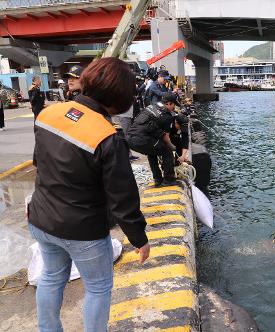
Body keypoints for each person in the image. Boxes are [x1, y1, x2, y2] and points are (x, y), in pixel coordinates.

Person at [28, 57, 150, 332]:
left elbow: (39, 163)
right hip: (83, 230)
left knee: (51, 277)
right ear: (120, 96)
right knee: (98, 288)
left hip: (41, 219)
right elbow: (123, 198)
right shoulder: (108, 136)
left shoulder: (48, 114)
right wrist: (139, 238)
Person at [127, 98, 177, 187]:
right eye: (174, 105)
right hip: (141, 139)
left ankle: (158, 180)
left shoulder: (152, 106)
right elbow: (166, 136)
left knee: (152, 152)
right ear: (169, 103)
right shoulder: (167, 115)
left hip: (130, 139)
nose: (174, 108)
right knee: (167, 150)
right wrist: (172, 146)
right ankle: (169, 179)